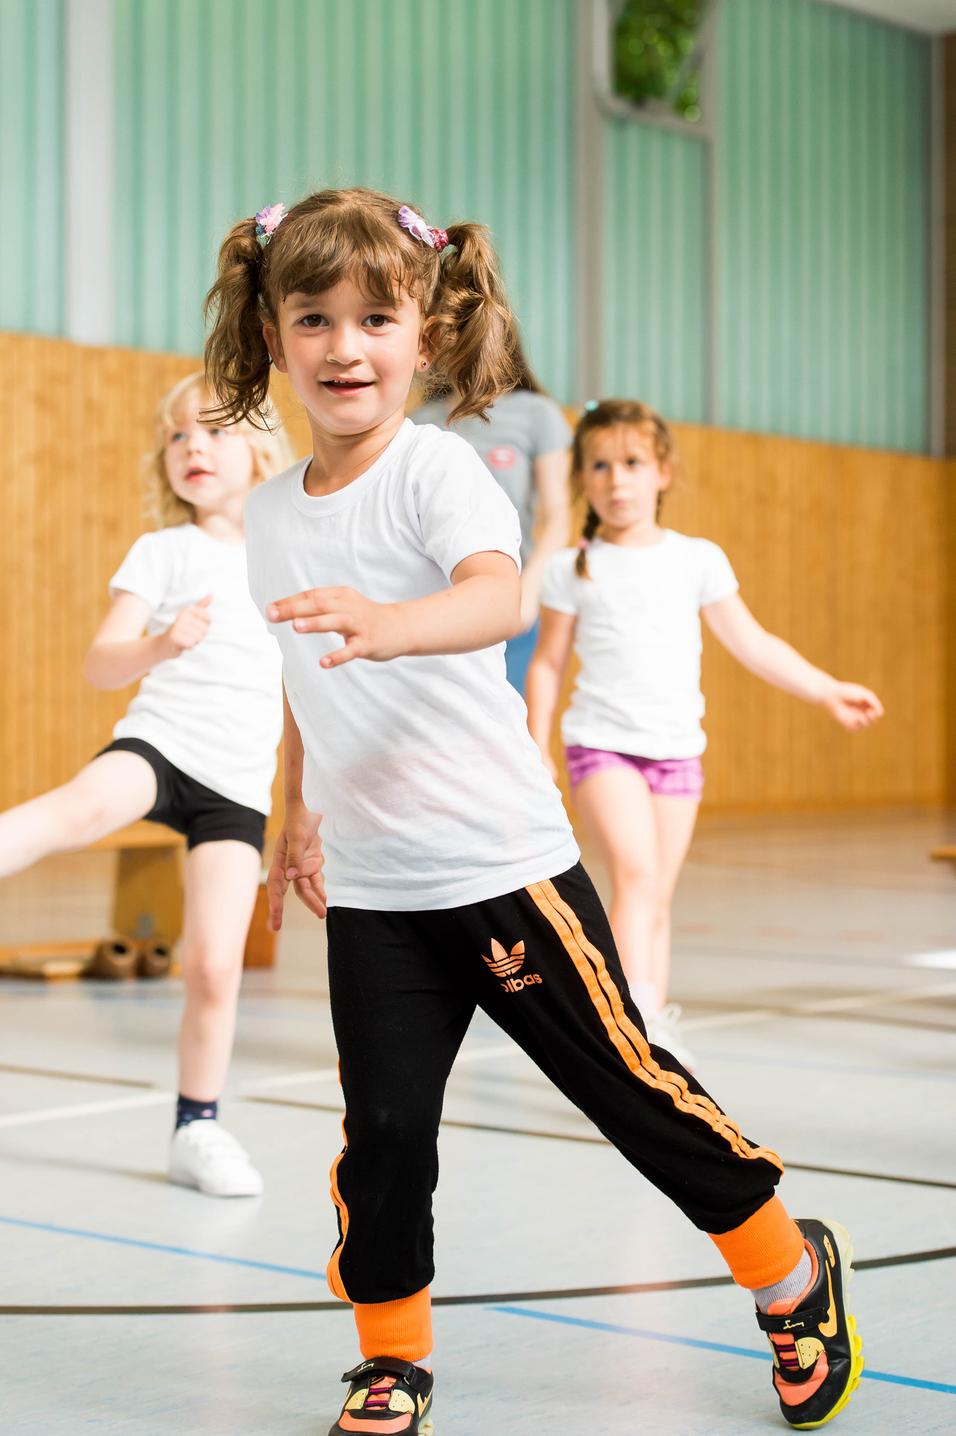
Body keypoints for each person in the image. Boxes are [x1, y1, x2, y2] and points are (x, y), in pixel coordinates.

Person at [204, 189, 864, 1435]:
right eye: (313, 317)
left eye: (374, 317)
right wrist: (298, 810)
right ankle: (392, 1356)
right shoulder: (277, 510)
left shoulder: (437, 468)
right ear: (273, 333)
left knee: (627, 1088)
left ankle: (788, 1270)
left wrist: (392, 623)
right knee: (385, 1130)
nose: (345, 345)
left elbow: (499, 597)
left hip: (498, 864)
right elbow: (306, 671)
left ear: (427, 330)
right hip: (376, 890)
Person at [0, 372, 292, 1197]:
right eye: (175, 436)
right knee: (81, 807)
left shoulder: (288, 560)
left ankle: (196, 1129)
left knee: (213, 968)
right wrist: (161, 644)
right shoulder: (164, 552)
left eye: (211, 431)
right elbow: (101, 663)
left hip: (237, 784)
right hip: (161, 744)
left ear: (259, 449)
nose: (191, 446)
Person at [526, 399, 883, 1067]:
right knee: (634, 875)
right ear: (582, 478)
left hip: (677, 751)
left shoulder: (697, 560)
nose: (616, 480)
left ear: (663, 471)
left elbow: (753, 642)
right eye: (599, 466)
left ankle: (653, 1012)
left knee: (657, 890)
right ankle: (632, 1032)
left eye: (632, 463)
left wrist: (826, 689)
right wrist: (537, 744)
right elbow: (546, 665)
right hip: (601, 744)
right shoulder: (571, 568)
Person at [410, 340, 572, 693]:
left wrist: (527, 592)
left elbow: (558, 518)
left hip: (508, 599)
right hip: (430, 604)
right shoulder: (418, 423)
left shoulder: (535, 414)